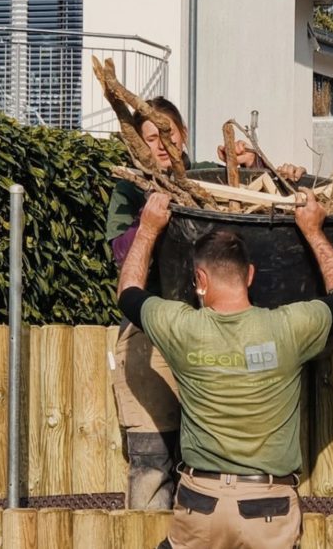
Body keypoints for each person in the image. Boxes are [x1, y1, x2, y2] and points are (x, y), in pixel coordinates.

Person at [116, 189, 333, 549]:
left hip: (200, 506)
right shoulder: (288, 328)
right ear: (249, 275)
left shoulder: (181, 328)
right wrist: (312, 231)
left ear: (199, 280)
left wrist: (149, 230)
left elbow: (128, 292)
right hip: (269, 509)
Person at [106, 96, 261, 509]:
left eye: (167, 135)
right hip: (149, 338)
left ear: (184, 135)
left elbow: (254, 215)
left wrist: (255, 169)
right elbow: (121, 253)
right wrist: (148, 218)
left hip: (212, 336)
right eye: (150, 138)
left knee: (214, 459)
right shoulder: (128, 188)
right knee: (152, 459)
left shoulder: (204, 180)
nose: (160, 145)